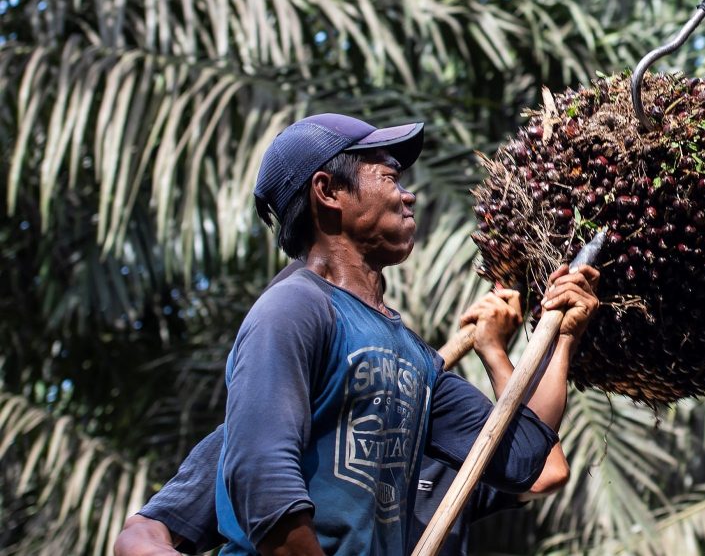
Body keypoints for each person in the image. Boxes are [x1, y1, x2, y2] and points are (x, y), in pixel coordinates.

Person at [215, 113, 599, 556]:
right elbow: (264, 484)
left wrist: (561, 336)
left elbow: (524, 454)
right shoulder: (293, 310)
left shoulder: (413, 355)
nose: (408, 193)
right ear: (327, 191)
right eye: (389, 176)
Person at [113, 287, 561, 556]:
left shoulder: (446, 454)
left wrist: (508, 349)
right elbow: (142, 533)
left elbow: (540, 466)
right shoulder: (262, 434)